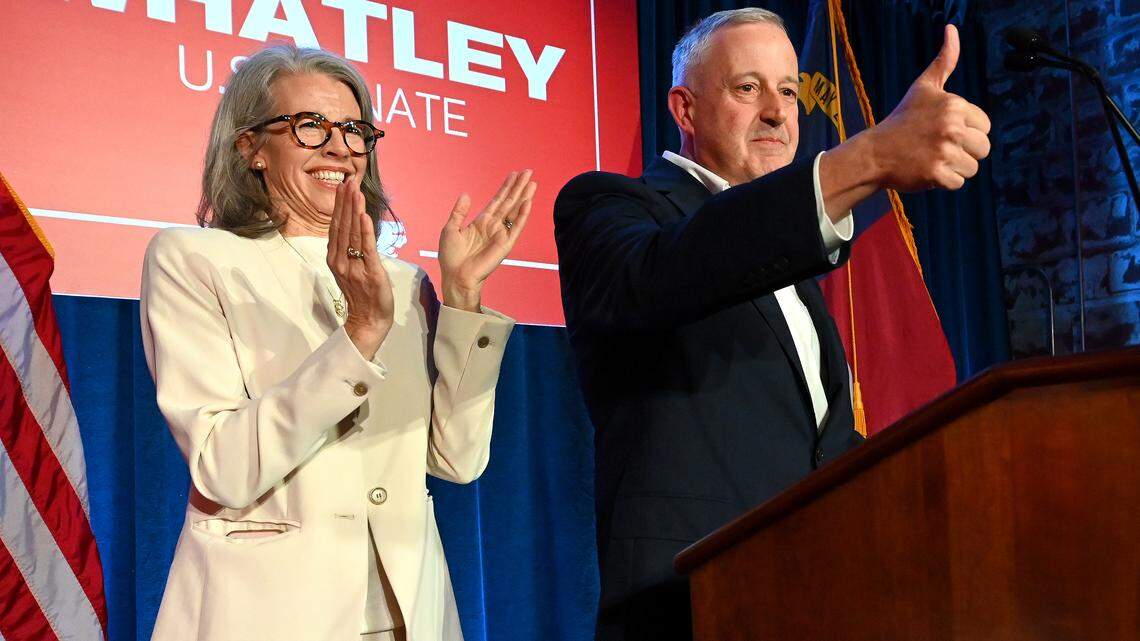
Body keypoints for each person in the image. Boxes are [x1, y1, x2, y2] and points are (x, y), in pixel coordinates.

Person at [553, 9, 990, 641]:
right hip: (687, 606)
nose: (779, 113)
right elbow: (664, 274)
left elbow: (822, 450)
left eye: (788, 90)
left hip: (815, 599)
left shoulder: (796, 266)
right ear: (685, 108)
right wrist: (867, 157)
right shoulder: (609, 207)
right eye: (747, 88)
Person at [140, 45, 536, 641]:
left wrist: (461, 298)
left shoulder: (404, 282)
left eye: (353, 129)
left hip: (407, 610)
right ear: (250, 148)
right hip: (271, 611)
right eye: (310, 126)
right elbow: (222, 469)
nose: (339, 147)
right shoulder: (196, 259)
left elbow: (457, 459)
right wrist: (359, 335)